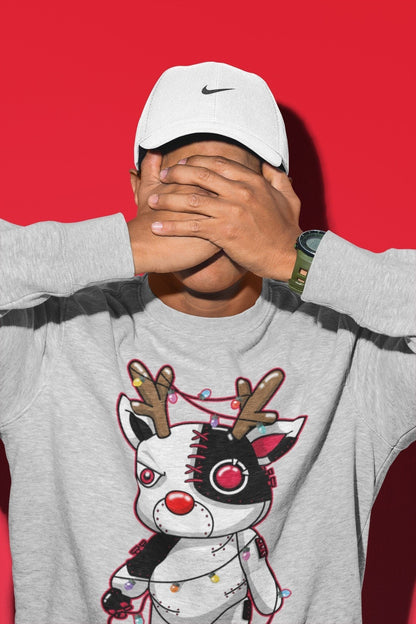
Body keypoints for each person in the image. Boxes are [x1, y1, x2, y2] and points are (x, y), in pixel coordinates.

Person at [0, 61, 414, 624]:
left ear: (281, 199)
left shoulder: (355, 352)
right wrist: (124, 246)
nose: (209, 213)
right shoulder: (47, 337)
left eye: (234, 189)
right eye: (185, 184)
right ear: (140, 187)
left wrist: (297, 258)